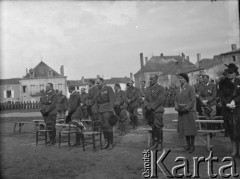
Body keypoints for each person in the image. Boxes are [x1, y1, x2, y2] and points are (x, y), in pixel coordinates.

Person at [219, 63, 240, 158]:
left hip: (238, 108)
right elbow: (221, 95)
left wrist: (234, 101)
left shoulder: (239, 81)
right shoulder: (223, 82)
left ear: (235, 73)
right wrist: (227, 103)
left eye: (231, 73)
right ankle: (234, 150)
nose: (229, 74)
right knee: (231, 130)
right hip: (227, 109)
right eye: (228, 72)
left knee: (238, 129)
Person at [174, 73, 197, 153]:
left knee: (190, 128)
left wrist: (186, 108)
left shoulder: (190, 88)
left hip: (188, 111)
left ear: (186, 79)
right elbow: (176, 99)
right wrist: (176, 107)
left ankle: (192, 145)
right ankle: (188, 144)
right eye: (179, 78)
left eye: (181, 78)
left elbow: (192, 100)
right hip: (181, 111)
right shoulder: (178, 89)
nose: (180, 80)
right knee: (184, 129)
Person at [144, 75, 165, 150]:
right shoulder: (148, 89)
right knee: (153, 127)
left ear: (156, 79)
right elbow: (146, 99)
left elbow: (160, 100)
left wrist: (152, 106)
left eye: (152, 79)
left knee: (158, 126)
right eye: (150, 79)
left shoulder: (160, 89)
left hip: (157, 111)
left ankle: (160, 143)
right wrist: (147, 106)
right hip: (149, 111)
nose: (150, 80)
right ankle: (155, 142)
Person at [95, 78, 115, 150]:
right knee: (103, 126)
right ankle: (106, 142)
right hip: (100, 110)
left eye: (98, 83)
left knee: (108, 126)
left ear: (103, 82)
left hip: (107, 110)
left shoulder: (108, 88)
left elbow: (112, 99)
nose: (97, 84)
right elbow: (97, 102)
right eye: (96, 83)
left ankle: (111, 143)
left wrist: (111, 109)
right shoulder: (98, 90)